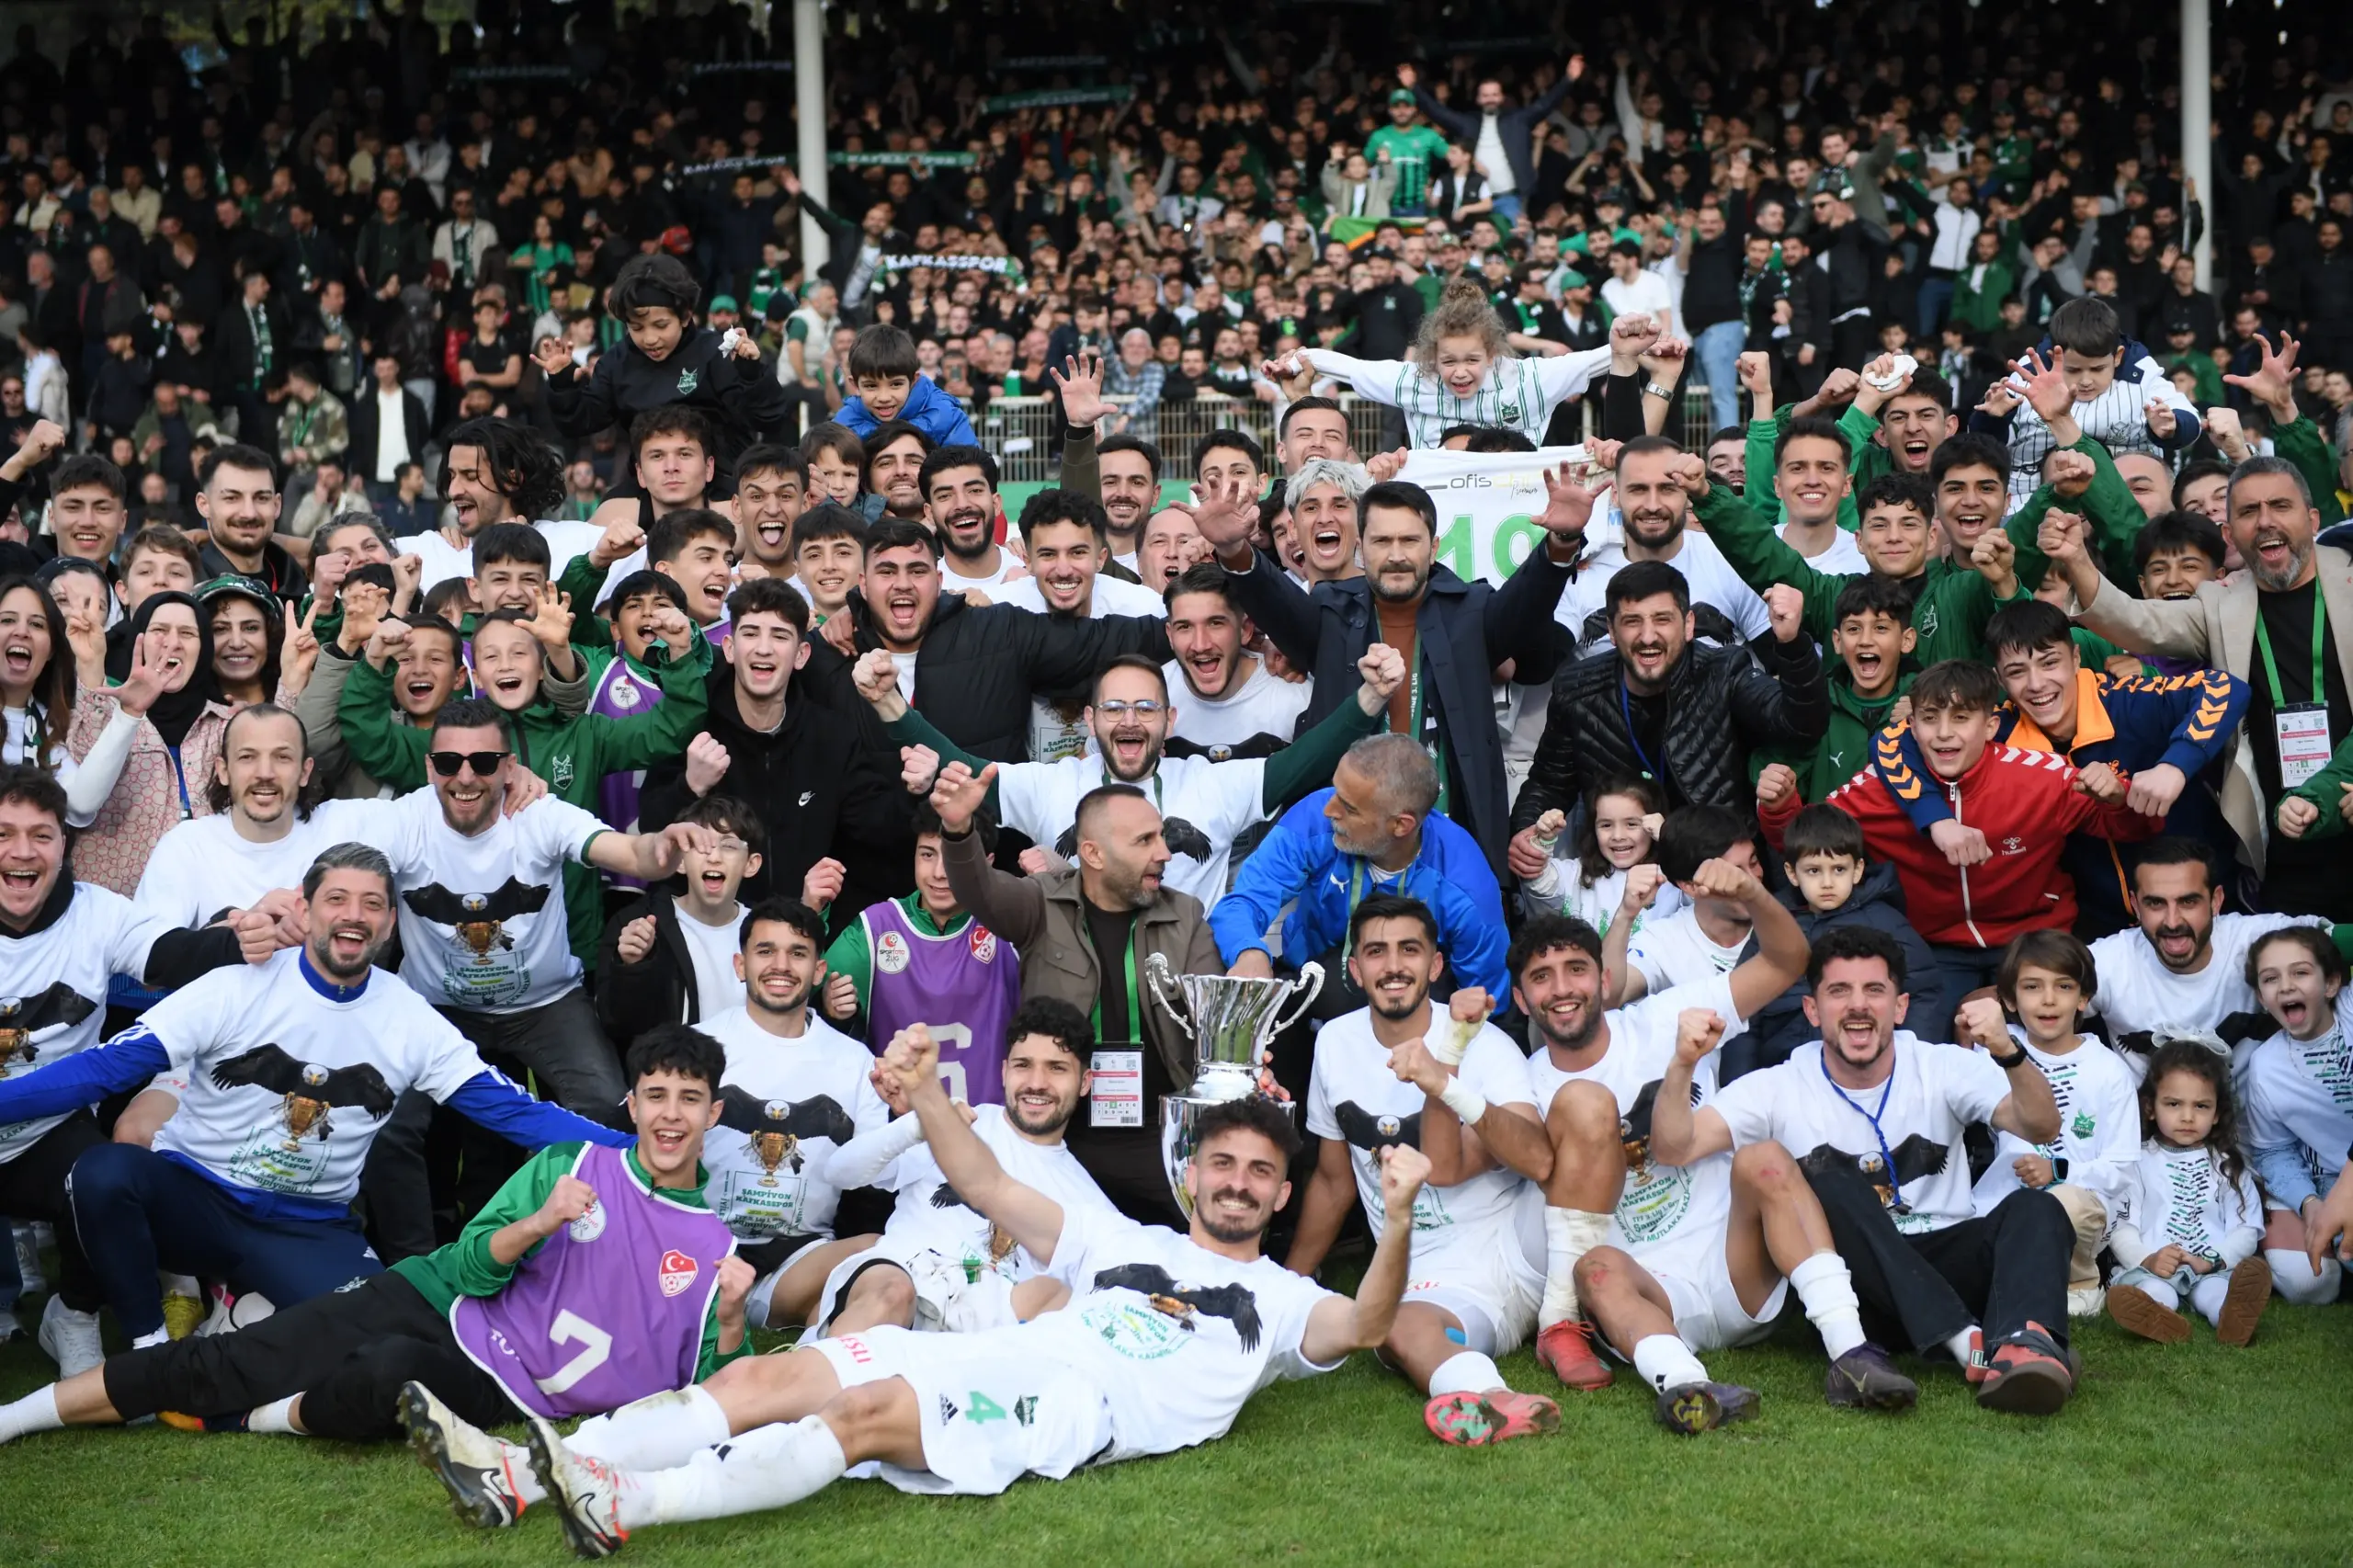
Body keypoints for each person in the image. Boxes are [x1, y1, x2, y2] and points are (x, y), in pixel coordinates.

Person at [439, 1034, 1427, 1557]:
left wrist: (1395, 1218)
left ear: (1283, 1193)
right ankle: (520, 1474)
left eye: (1259, 1172)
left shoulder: (1284, 1297)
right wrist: (926, 1092)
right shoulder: (1125, 1238)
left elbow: (1367, 1324)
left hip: (1075, 1404)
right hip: (992, 1352)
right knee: (775, 1377)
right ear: (1193, 1172)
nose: (1238, 1184)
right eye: (1223, 1164)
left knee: (862, 1414)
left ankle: (630, 1502)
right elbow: (987, 1181)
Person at [0, 842, 634, 1351]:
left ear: (390, 922)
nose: (353, 915)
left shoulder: (410, 1019)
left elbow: (514, 1111)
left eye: (372, 904)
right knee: (103, 1172)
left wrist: (637, 1152)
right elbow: (103, 1069)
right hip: (196, 1203)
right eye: (336, 899)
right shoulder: (233, 985)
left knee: (385, 1340)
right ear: (305, 909)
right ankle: (148, 1345)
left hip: (306, 1223)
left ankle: (243, 1308)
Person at [0, 1024, 753, 1450]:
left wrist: (727, 1319)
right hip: (434, 1298)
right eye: (656, 1096)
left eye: (689, 1100)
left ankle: (262, 1415)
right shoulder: (574, 1164)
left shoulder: (714, 1245)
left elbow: (713, 1387)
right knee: (228, 1360)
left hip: (501, 1385)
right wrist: (538, 1222)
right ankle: (15, 1418)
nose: (671, 1116)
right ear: (631, 1103)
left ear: (713, 1114)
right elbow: (470, 1267)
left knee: (387, 1373)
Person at [1648, 926, 2083, 1415]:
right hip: (1857, 1292)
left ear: (1900, 1007)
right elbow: (1674, 1147)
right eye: (1839, 991)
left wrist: (2008, 1051)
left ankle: (2024, 1348)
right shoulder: (1778, 1085)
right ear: (1812, 1010)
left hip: (1945, 1257)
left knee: (2037, 1208)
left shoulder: (1940, 1066)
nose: (1858, 1005)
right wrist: (1682, 1064)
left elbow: (2042, 1125)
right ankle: (1968, 1341)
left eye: (1874, 990)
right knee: (1826, 1180)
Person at [0, 763, 269, 1373]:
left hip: (47, 1133)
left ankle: (73, 1313)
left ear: (64, 846)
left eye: (41, 835)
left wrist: (239, 938)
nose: (23, 851)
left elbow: (169, 954)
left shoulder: (98, 913)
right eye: (4, 833)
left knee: (108, 1178)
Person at [1189, 474, 1586, 877]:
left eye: (1409, 540)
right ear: (1361, 548)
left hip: (1451, 848)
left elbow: (1525, 605)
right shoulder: (1330, 612)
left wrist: (1562, 542)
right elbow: (1274, 599)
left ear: (1433, 548)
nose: (1396, 555)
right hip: (1344, 853)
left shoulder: (1471, 610)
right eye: (1382, 541)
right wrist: (1233, 549)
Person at [1764, 660, 2165, 1039]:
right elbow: (1809, 843)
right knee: (1920, 1049)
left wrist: (2118, 798)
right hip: (1933, 949)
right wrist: (1780, 806)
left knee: (2042, 1047)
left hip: (2032, 938)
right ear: (1912, 727)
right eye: (1929, 718)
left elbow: (2131, 828)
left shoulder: (2040, 775)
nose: (1943, 733)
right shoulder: (1877, 788)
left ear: (1990, 726)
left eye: (1960, 718)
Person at [1285, 894, 1561, 1445]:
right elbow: (1335, 1182)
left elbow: (1537, 1158)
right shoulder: (1335, 1043)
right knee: (1392, 1325)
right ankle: (1493, 1397)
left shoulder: (1486, 1041)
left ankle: (1579, 1316)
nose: (1393, 966)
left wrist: (1446, 1080)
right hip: (1434, 1274)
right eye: (1376, 952)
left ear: (1435, 965)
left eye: (1409, 950)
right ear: (1355, 969)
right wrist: (1287, 1284)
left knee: (1577, 1115)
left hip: (1524, 1244)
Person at [2044, 456, 2353, 917]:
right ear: (2229, 535)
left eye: (2280, 506)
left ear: (2312, 520)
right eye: (2248, 512)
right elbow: (2136, 621)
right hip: (2282, 842)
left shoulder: (2349, 576)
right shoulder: (2219, 602)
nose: (2265, 521)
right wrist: (2076, 560)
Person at [871, 646, 1396, 908]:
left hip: (1183, 989)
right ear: (1090, 719)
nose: (1129, 721)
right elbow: (968, 774)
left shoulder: (1211, 783)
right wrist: (887, 703)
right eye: (1114, 708)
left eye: (1146, 708)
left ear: (1170, 721)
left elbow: (1304, 762)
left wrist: (1370, 697)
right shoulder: (1054, 784)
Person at [931, 761, 1221, 1228]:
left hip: (1157, 1133)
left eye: (1162, 837)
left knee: (1208, 1233)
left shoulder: (1185, 916)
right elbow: (979, 891)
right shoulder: (1039, 903)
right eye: (1145, 840)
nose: (1166, 853)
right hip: (1057, 1130)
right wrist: (958, 831)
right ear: (1094, 853)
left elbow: (1215, 1019)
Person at [814, 996, 1116, 1335]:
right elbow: (840, 1172)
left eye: (1056, 1068)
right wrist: (920, 1125)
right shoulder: (959, 1121)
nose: (1036, 1082)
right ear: (1004, 1071)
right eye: (1023, 1065)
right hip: (896, 1288)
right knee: (892, 1292)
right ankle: (824, 1365)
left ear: (1085, 1082)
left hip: (977, 1336)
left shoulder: (1090, 1203)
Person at [1512, 560, 1828, 858]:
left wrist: (1792, 644)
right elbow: (1548, 784)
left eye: (1662, 620)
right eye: (1632, 622)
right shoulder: (1577, 687)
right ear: (1611, 630)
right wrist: (1526, 834)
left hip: (1714, 861)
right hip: (1618, 867)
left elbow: (1802, 725)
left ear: (1689, 625)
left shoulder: (1724, 671)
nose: (1648, 637)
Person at [636, 577, 908, 915]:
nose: (763, 649)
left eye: (779, 636)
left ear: (801, 655)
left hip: (802, 929)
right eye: (750, 634)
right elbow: (651, 830)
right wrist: (689, 787)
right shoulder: (692, 727)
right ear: (729, 648)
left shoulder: (831, 736)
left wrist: (917, 790)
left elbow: (879, 832)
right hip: (707, 928)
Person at [801, 517, 1170, 766]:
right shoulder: (825, 655)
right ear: (863, 585)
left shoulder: (997, 632)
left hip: (989, 851)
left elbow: (1104, 641)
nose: (902, 584)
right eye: (886, 572)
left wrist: (1189, 627)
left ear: (939, 581)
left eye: (917, 570)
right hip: (868, 861)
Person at [693, 897, 888, 1331]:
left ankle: (814, 1356)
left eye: (798, 953)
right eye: (765, 951)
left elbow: (880, 1178)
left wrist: (912, 1116)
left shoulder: (855, 1062)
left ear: (819, 971)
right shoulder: (696, 1048)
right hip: (700, 1251)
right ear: (740, 965)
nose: (780, 966)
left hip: (800, 1259)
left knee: (881, 1256)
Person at [1214, 733, 1506, 1005]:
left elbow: (1487, 1000)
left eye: (1349, 808)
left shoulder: (1467, 887)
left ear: (1401, 825)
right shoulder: (1313, 819)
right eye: (1336, 790)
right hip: (1312, 980)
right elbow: (1243, 902)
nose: (1329, 810)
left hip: (1412, 1001)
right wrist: (1248, 951)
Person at [1960, 933, 2141, 1317]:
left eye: (2064, 986)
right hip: (2000, 1201)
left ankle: (2082, 1284)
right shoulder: (1993, 1052)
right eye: (2032, 987)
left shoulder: (2109, 1071)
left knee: (2060, 1203)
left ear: (2084, 998)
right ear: (2009, 1000)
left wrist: (2059, 1171)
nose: (2048, 999)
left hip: (2081, 1206)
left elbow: (2122, 1168)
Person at [820, 802, 1021, 1104]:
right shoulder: (874, 929)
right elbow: (803, 998)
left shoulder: (1013, 926)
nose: (940, 873)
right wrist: (831, 1009)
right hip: (896, 1126)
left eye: (955, 857)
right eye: (928, 854)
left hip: (991, 1126)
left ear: (987, 863)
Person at [1269, 276, 1611, 449]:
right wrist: (1296, 362)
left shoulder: (1528, 378)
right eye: (1448, 361)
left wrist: (1631, 342)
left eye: (1472, 360)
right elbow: (1352, 367)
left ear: (1492, 354)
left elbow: (1593, 360)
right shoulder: (1414, 380)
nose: (1460, 372)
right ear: (1432, 356)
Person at [1740, 804, 1936, 1081]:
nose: (1827, 882)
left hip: (1866, 1071)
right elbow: (1745, 1008)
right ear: (1792, 873)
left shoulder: (1885, 922)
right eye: (1813, 871)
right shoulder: (1772, 924)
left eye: (1839, 869)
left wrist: (1907, 1070)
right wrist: (1740, 1080)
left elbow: (1924, 992)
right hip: (1784, 1071)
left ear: (1857, 870)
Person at [2103, 1039, 2272, 1346]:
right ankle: (2158, 1317)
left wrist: (2211, 1260)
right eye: (2173, 1104)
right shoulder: (2136, 1162)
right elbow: (2122, 1227)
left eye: (2201, 1106)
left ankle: (2230, 1318)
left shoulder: (2229, 1166)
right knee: (2156, 1292)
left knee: (2216, 1293)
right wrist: (2148, 1259)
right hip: (2154, 1268)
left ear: (2217, 1113)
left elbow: (2246, 1229)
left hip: (2210, 1268)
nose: (2187, 1117)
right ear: (2150, 1107)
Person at [2235, 926, 2352, 1308]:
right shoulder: (2266, 1067)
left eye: (2300, 972)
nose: (2286, 986)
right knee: (2309, 1283)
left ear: (2331, 983)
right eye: (2271, 979)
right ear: (2261, 997)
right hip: (2331, 1185)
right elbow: (2273, 1151)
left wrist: (2330, 933)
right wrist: (2310, 1203)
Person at [596, 794, 763, 1040]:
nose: (714, 857)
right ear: (679, 861)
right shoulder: (638, 923)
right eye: (700, 845)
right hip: (678, 1063)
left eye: (728, 846)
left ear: (751, 864)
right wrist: (631, 967)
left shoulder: (766, 931)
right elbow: (616, 1026)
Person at [1160, 566, 1312, 759]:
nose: (1200, 645)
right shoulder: (1152, 698)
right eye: (1185, 627)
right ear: (1170, 635)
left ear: (1245, 630)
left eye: (1216, 623)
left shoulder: (1296, 699)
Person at [1517, 775, 1685, 937]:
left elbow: (1697, 894)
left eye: (1631, 824)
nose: (1617, 836)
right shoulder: (1577, 873)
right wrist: (1544, 840)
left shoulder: (1674, 878)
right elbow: (1539, 882)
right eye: (1606, 825)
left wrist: (1670, 839)